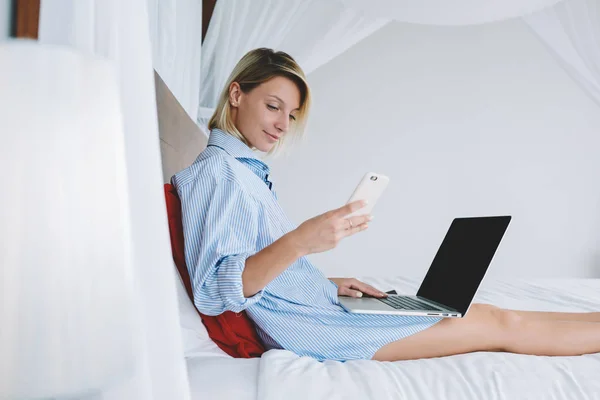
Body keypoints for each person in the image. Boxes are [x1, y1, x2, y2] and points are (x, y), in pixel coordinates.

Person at [172, 48, 600, 362]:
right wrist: (302, 242)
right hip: (315, 332)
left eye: (292, 114)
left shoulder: (245, 172)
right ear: (235, 94)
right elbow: (214, 291)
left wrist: (319, 281)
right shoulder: (217, 172)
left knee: (487, 312)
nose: (284, 125)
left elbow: (253, 262)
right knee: (495, 324)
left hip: (316, 307)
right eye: (273, 107)